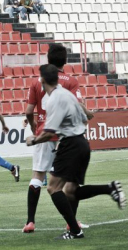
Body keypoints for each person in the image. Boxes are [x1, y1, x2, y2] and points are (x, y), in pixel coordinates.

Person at [26, 64, 126, 240]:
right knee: (71, 191)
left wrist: (33, 139)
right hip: (82, 143)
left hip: (70, 144)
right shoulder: (67, 94)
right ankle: (110, 188)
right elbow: (85, 117)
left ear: (42, 80)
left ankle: (75, 230)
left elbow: (50, 132)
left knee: (52, 187)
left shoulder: (54, 99)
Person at [22, 43, 94, 233]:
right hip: (65, 136)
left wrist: (34, 129)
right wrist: (88, 114)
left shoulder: (38, 81)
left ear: (48, 59)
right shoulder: (70, 81)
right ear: (66, 60)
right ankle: (72, 222)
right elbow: (77, 106)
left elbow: (29, 111)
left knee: (37, 177)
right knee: (71, 182)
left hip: (43, 133)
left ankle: (30, 221)